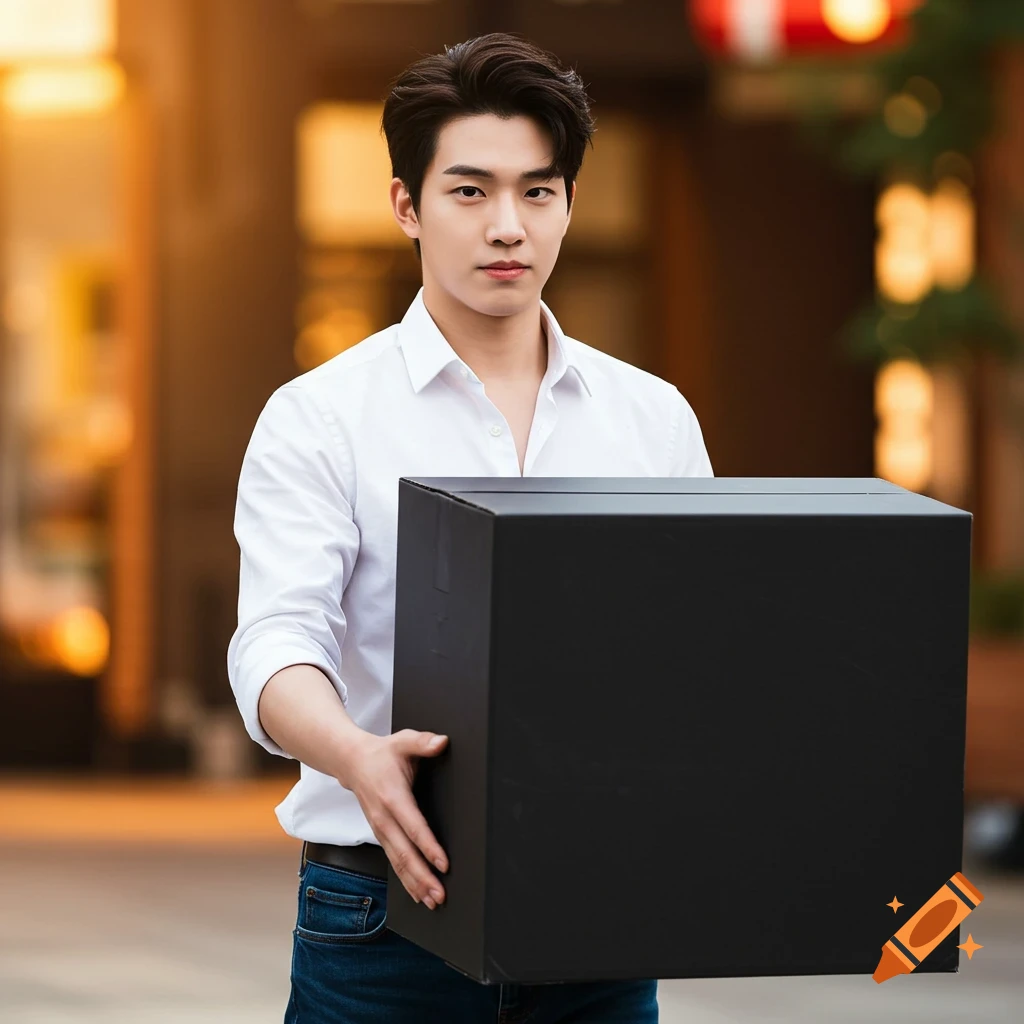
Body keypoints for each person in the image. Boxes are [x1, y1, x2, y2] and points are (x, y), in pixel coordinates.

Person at [227, 31, 713, 1024]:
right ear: (405, 205)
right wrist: (356, 753)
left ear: (570, 202)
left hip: (601, 920)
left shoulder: (651, 417)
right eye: (469, 191)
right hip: (380, 918)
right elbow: (275, 642)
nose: (508, 227)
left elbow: (698, 642)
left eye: (538, 191)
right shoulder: (319, 415)